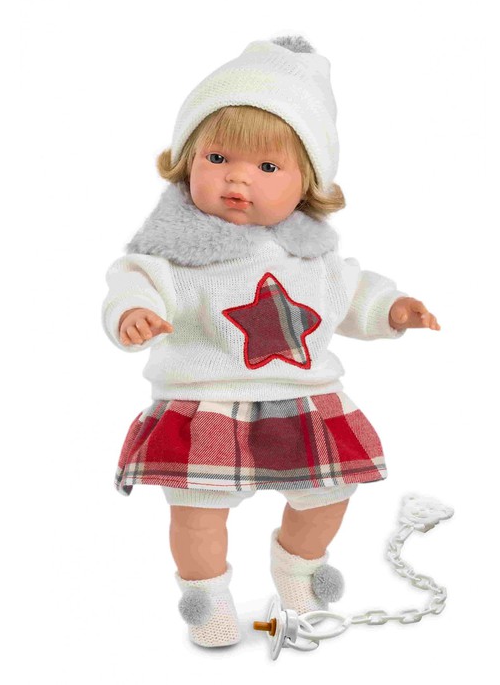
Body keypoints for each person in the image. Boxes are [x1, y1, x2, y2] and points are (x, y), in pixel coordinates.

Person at [101, 35, 440, 648]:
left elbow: (351, 294)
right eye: (217, 157)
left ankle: (298, 567)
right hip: (206, 399)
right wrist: (135, 313)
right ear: (186, 160)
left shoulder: (314, 255)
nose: (237, 177)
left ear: (308, 180)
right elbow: (135, 283)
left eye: (267, 167)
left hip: (302, 397)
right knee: (197, 511)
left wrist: (391, 309)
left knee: (329, 494)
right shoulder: (174, 251)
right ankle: (206, 597)